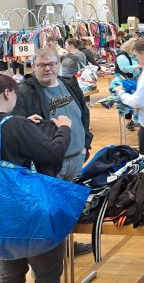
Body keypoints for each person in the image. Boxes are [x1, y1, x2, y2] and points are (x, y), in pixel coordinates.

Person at [13, 47, 93, 256]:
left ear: (59, 64)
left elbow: (83, 114)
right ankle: (55, 253)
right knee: (51, 209)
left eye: (51, 64)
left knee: (66, 207)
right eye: (42, 65)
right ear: (34, 67)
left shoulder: (70, 84)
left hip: (76, 157)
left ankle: (68, 246)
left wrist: (86, 143)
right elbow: (17, 125)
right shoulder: (26, 92)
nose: (47, 68)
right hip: (49, 163)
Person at [0, 74, 72, 283]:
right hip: (30, 212)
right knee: (46, 274)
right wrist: (64, 129)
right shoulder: (14, 125)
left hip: (4, 217)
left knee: (9, 275)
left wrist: (23, 125)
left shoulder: (15, 125)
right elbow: (52, 154)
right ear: (7, 93)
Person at [115, 38, 140, 131]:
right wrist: (138, 66)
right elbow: (124, 68)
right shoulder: (122, 56)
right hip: (125, 81)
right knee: (128, 102)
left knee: (134, 101)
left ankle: (133, 120)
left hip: (133, 80)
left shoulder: (132, 56)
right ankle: (128, 122)